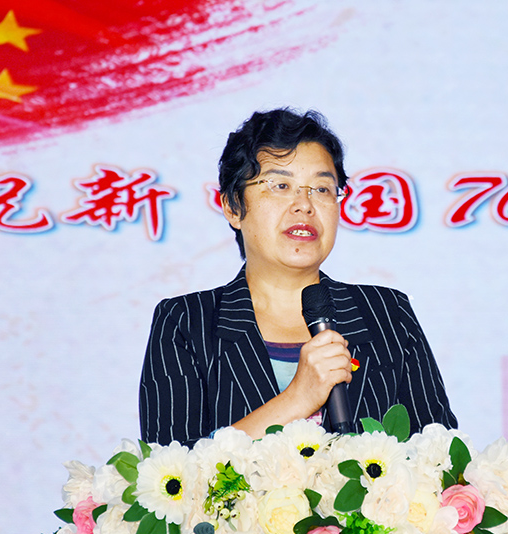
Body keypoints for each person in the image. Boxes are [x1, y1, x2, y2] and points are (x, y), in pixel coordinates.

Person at [139, 108, 456, 447]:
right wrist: (298, 398)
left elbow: (441, 457)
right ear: (233, 206)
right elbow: (168, 468)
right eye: (280, 185)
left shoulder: (387, 313)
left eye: (321, 188)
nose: (304, 205)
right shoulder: (186, 322)